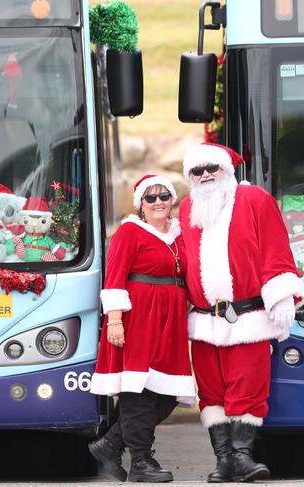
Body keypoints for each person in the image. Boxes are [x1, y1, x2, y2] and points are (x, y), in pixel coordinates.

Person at [179, 142, 304, 483]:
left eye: (213, 168)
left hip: (248, 317)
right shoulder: (187, 208)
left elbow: (275, 247)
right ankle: (223, 460)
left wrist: (281, 296)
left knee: (248, 389)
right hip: (205, 321)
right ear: (190, 176)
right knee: (210, 393)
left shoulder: (255, 200)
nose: (206, 175)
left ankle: (242, 456)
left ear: (228, 170)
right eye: (198, 170)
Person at [89, 174, 196, 483]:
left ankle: (110, 445)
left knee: (167, 393)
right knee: (139, 390)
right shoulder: (129, 233)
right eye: (150, 198)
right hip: (138, 319)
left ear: (172, 200)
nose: (158, 202)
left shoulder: (179, 236)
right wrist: (116, 320)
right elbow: (114, 279)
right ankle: (141, 461)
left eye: (164, 196)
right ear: (141, 204)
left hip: (170, 322)